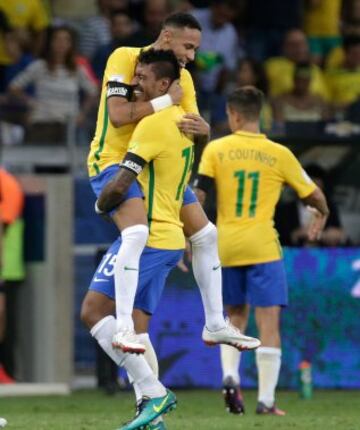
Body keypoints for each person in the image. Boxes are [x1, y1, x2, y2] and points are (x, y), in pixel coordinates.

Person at [87, 12, 256, 355]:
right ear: (166, 37)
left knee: (207, 234)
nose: (192, 56)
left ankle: (214, 323)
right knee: (136, 234)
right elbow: (118, 116)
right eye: (188, 46)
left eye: (196, 49)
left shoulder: (185, 81)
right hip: (115, 164)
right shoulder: (125, 58)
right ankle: (122, 327)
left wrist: (204, 133)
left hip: (158, 167)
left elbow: (191, 128)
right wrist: (166, 101)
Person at [194, 86, 329, 416]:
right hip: (263, 246)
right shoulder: (279, 153)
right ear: (260, 115)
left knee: (233, 319)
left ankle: (230, 374)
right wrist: (321, 214)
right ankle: (266, 401)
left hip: (225, 246)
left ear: (234, 115)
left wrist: (191, 237)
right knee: (268, 324)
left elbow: (199, 196)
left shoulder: (216, 149)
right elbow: (313, 195)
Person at [8, 26, 98, 144]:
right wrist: (30, 102)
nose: (61, 43)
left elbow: (93, 92)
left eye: (66, 40)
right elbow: (14, 87)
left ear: (71, 44)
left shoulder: (77, 69)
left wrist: (82, 114)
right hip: (42, 122)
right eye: (57, 39)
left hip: (68, 124)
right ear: (50, 43)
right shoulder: (39, 66)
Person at [0, 168, 25, 383]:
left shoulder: (6, 183)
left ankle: (4, 371)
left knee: (4, 323)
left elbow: (3, 223)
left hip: (6, 270)